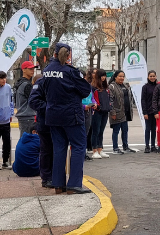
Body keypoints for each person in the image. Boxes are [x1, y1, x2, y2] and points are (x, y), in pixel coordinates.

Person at [41, 43, 93, 194]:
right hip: (72, 115)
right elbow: (85, 90)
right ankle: (74, 184)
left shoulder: (47, 71)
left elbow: (44, 91)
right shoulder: (71, 71)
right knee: (78, 147)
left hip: (53, 115)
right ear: (68, 55)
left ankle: (58, 184)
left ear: (54, 53)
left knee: (59, 149)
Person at [28, 74, 55, 188]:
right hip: (45, 122)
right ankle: (47, 178)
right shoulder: (41, 83)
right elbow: (33, 101)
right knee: (46, 151)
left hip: (60, 122)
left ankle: (56, 176)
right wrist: (50, 107)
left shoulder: (59, 81)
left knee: (57, 151)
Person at [109, 70, 137, 154]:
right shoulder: (111, 86)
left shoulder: (125, 86)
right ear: (115, 77)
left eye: (123, 76)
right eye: (120, 76)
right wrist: (112, 112)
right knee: (116, 131)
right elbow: (110, 100)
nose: (122, 78)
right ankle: (115, 148)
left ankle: (125, 146)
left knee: (125, 130)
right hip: (117, 113)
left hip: (125, 113)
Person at [89, 71, 111, 159]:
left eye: (104, 76)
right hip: (97, 111)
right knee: (95, 131)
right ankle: (94, 150)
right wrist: (96, 106)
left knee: (101, 131)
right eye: (101, 76)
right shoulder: (93, 87)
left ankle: (100, 149)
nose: (103, 78)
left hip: (105, 111)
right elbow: (92, 98)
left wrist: (109, 106)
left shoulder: (106, 87)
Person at [14, 61, 37, 135]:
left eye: (33, 69)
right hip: (27, 116)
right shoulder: (26, 84)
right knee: (28, 139)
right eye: (30, 69)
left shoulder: (20, 83)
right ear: (24, 70)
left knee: (25, 138)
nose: (32, 71)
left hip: (23, 115)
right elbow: (33, 100)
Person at [141, 70, 159, 153]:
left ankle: (153, 145)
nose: (152, 77)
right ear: (148, 77)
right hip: (148, 111)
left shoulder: (158, 86)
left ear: (156, 77)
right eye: (150, 76)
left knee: (154, 129)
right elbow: (143, 100)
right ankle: (147, 146)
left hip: (156, 112)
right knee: (147, 129)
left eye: (153, 76)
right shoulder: (145, 87)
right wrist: (145, 112)